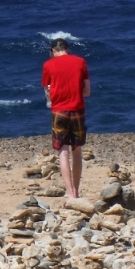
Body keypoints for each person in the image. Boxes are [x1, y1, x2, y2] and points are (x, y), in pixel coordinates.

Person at [41, 38, 90, 200]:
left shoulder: (48, 65)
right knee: (77, 152)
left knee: (63, 152)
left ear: (54, 51)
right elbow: (87, 91)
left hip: (59, 111)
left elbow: (47, 93)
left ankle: (70, 194)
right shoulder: (80, 62)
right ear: (66, 49)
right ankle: (76, 190)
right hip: (77, 109)